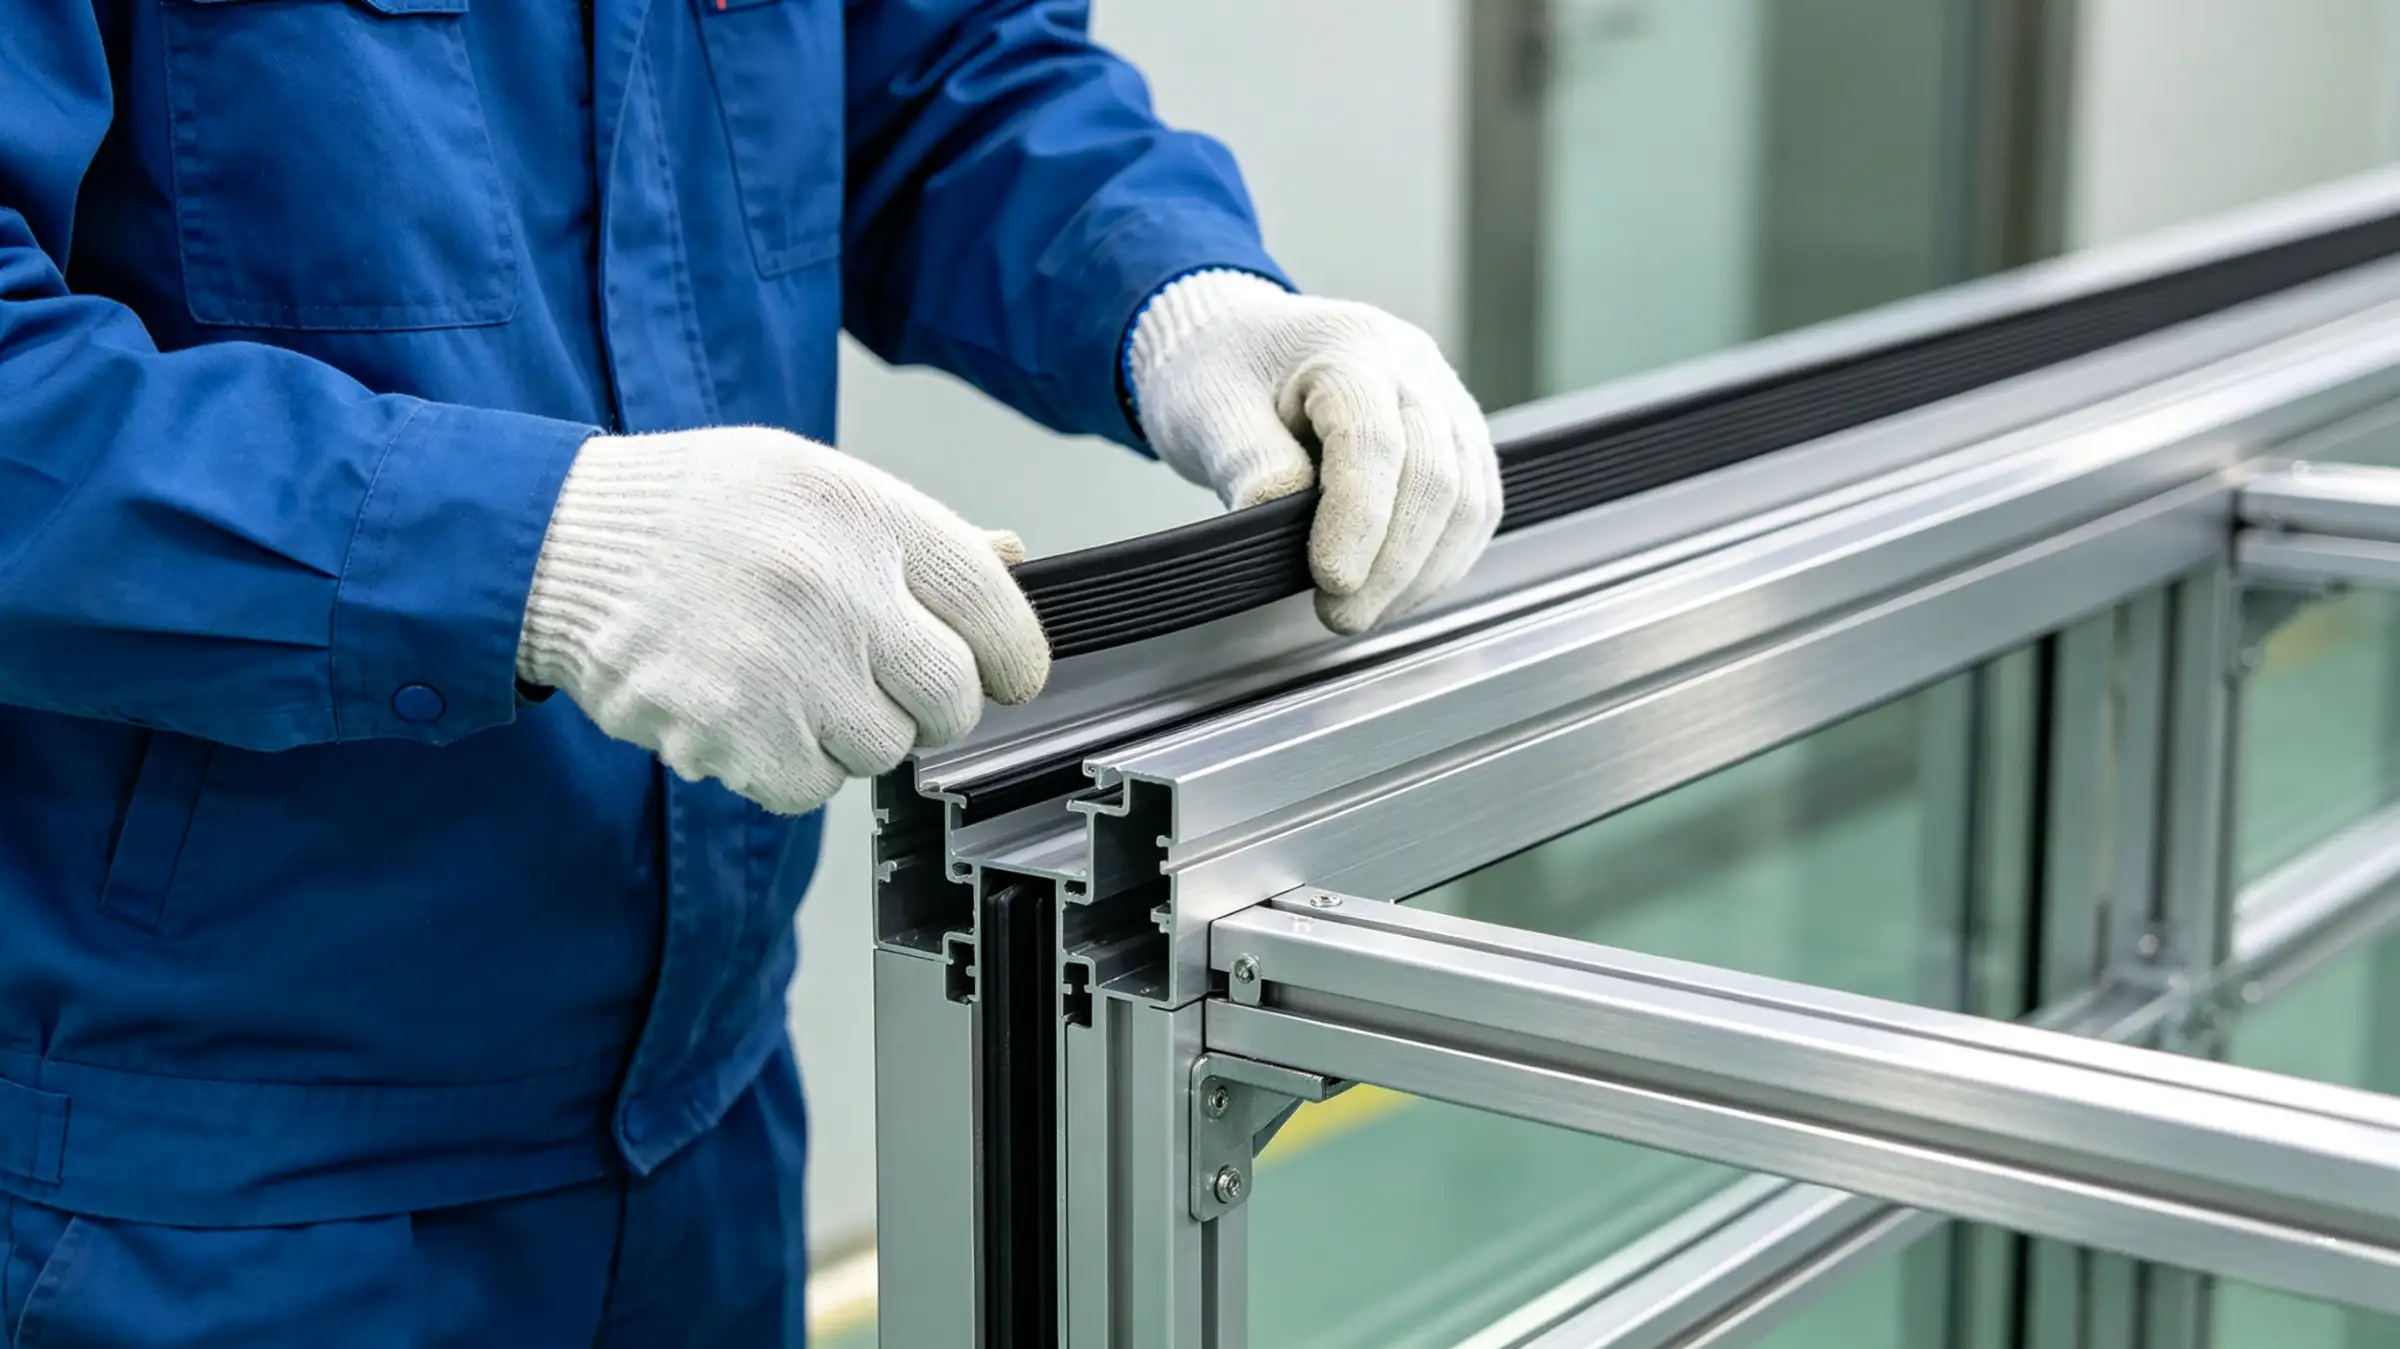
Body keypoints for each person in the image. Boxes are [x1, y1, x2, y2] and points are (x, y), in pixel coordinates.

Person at [0, 2, 1500, 1343]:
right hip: (197, 1192)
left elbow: (934, 74)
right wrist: (532, 553)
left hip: (704, 1126)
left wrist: (1185, 301)